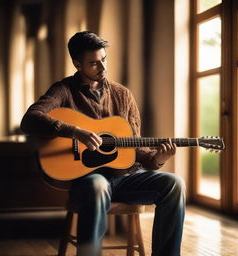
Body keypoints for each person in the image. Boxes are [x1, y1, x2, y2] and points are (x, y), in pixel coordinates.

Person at [20, 31, 185, 256]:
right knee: (98, 186)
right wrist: (74, 131)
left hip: (124, 178)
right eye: (94, 63)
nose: (103, 68)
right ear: (77, 64)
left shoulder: (123, 95)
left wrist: (156, 159)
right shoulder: (63, 90)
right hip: (88, 181)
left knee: (175, 184)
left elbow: (135, 148)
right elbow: (30, 119)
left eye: (104, 60)